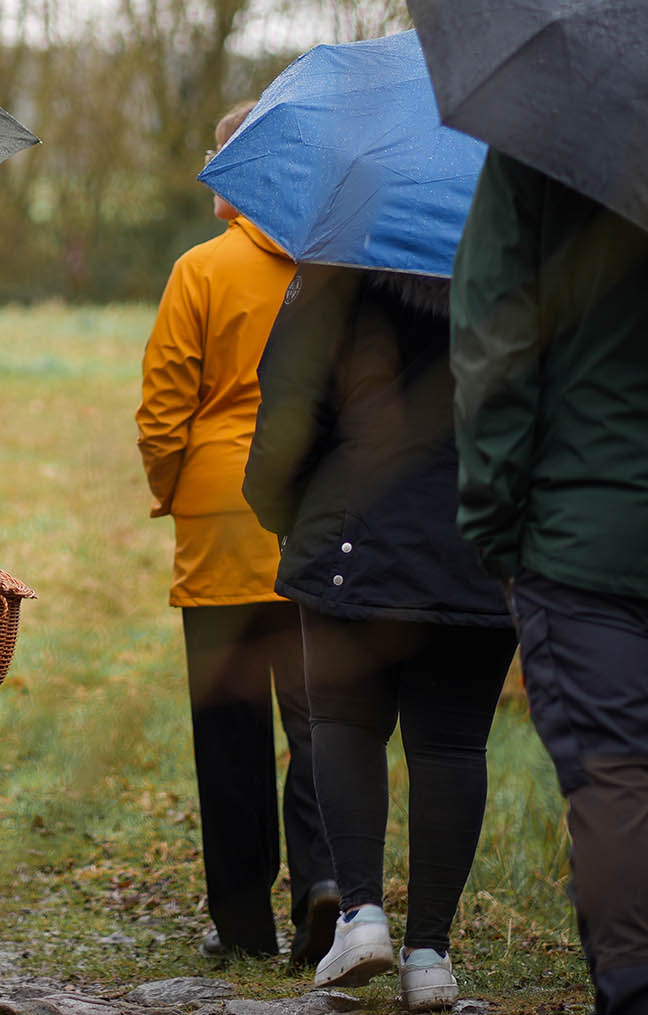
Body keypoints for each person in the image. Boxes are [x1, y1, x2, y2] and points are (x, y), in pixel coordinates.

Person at [243, 263, 517, 1009]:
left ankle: (361, 915)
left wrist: (281, 510)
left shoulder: (341, 264)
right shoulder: (523, 264)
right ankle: (431, 953)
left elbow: (290, 409)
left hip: (350, 538)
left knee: (342, 722)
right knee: (454, 745)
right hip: (480, 540)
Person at [136, 100, 337, 965]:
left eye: (218, 154)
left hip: (221, 520)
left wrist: (172, 489)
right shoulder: (331, 270)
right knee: (319, 718)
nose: (208, 171)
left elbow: (161, 414)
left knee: (228, 727)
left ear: (246, 168)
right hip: (313, 518)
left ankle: (245, 922)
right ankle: (326, 881)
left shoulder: (200, 271)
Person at [451, 149, 648, 1015]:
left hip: (590, 533)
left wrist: (497, 523)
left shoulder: (547, 140)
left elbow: (497, 339)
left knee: (617, 777)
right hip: (591, 522)